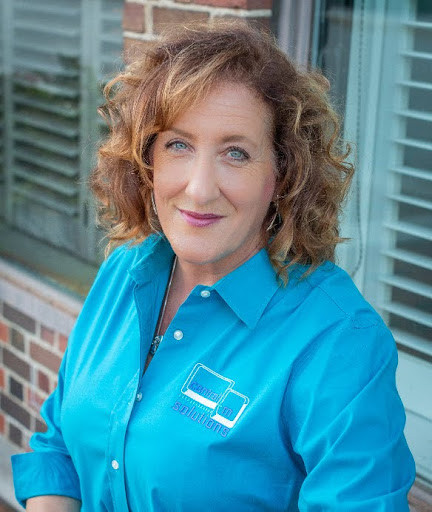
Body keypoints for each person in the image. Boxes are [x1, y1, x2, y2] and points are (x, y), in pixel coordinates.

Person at [12, 21, 415, 511]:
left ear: (283, 174)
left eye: (236, 153)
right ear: (147, 160)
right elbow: (60, 445)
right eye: (178, 145)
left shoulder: (338, 341)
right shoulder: (125, 273)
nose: (200, 189)